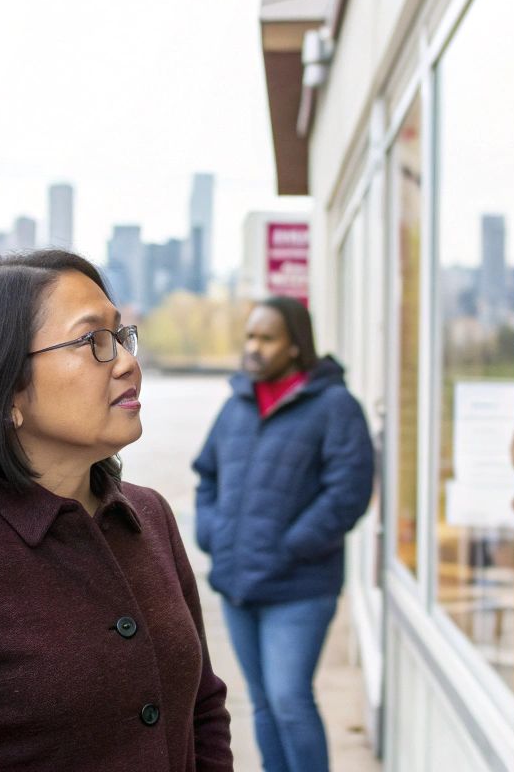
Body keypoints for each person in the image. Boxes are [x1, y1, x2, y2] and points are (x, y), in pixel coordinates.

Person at [0, 250, 231, 772]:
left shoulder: (149, 516)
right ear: (3, 389)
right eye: (93, 342)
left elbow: (202, 707)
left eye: (122, 335)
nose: (129, 363)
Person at [193, 296, 375, 772]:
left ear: (295, 346)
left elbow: (349, 492)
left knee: (290, 701)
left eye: (266, 338)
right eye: (250, 336)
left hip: (299, 588)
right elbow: (207, 474)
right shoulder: (238, 404)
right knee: (262, 704)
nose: (253, 347)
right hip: (238, 585)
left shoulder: (335, 406)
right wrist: (212, 532)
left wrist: (291, 546)